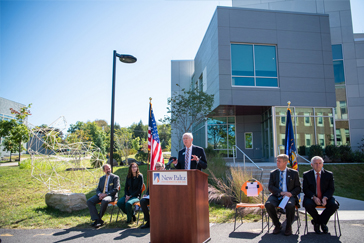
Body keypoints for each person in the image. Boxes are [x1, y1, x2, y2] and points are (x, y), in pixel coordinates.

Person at [265, 154, 301, 236]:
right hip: (277, 195)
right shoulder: (273, 173)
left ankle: (288, 227)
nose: (277, 163)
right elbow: (270, 187)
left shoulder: (294, 173)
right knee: (268, 204)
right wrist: (281, 193)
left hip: (289, 196)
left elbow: (298, 188)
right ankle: (277, 225)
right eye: (277, 161)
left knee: (290, 206)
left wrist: (290, 193)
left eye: (279, 161)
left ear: (285, 162)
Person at [303, 156, 339, 234]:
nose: (318, 165)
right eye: (315, 163)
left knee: (334, 205)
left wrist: (325, 198)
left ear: (322, 164)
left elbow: (331, 189)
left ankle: (318, 222)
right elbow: (305, 189)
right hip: (312, 197)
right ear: (312, 165)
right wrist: (314, 197)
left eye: (320, 163)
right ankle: (321, 223)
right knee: (307, 204)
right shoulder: (307, 175)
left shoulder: (329, 174)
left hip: (326, 197)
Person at [140, 162, 165, 229]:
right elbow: (150, 188)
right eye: (156, 166)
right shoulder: (154, 175)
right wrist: (147, 194)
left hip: (163, 197)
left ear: (163, 167)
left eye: (159, 166)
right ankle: (148, 221)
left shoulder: (166, 176)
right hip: (153, 197)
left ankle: (162, 221)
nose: (158, 168)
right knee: (143, 201)